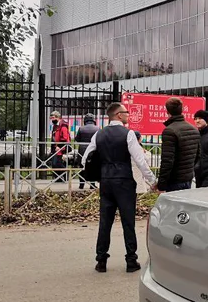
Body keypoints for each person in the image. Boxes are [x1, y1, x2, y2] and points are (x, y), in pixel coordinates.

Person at [82, 103, 157, 273]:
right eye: (126, 113)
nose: (128, 115)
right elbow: (140, 160)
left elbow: (85, 158)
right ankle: (131, 260)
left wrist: (99, 172)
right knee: (128, 222)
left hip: (106, 182)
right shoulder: (128, 134)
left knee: (105, 222)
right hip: (124, 181)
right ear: (118, 114)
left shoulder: (98, 134)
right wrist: (152, 180)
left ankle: (101, 261)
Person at [156, 97, 200, 192]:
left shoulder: (169, 130)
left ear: (167, 111)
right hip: (188, 177)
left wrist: (161, 184)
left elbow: (167, 161)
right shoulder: (194, 129)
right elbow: (198, 155)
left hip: (174, 180)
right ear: (182, 110)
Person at [75, 113, 100, 189]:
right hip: (93, 150)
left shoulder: (81, 128)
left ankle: (81, 184)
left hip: (82, 150)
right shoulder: (97, 128)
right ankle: (92, 184)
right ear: (93, 120)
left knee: (82, 167)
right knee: (92, 167)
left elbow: (77, 139)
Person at [49, 111, 71, 182]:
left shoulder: (63, 125)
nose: (52, 120)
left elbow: (64, 138)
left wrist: (59, 146)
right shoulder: (56, 126)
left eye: (53, 118)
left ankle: (65, 175)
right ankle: (58, 178)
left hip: (61, 148)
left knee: (57, 163)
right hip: (56, 148)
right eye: (51, 118)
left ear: (58, 117)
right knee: (55, 163)